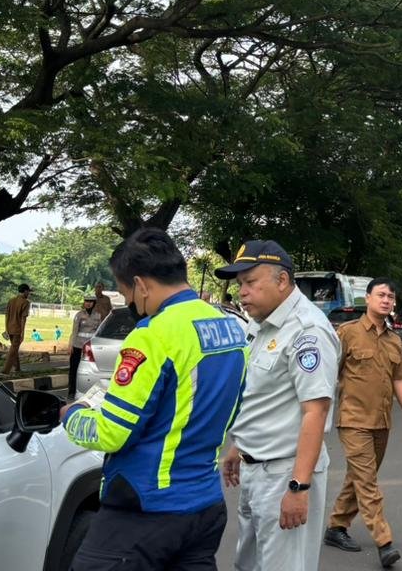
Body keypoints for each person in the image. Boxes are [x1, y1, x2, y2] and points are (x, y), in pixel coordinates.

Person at [61, 227, 247, 571]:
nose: (131, 305)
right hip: (205, 505)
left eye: (126, 293)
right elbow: (234, 410)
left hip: (146, 507)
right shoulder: (231, 328)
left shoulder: (152, 334)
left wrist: (71, 416)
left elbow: (111, 433)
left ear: (141, 284)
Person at [218, 240, 340, 571]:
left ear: (282, 280)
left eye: (250, 282)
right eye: (240, 284)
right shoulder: (261, 324)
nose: (242, 292)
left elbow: (315, 411)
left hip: (284, 473)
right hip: (255, 469)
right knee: (248, 564)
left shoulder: (307, 331)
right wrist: (240, 446)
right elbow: (263, 396)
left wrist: (298, 487)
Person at [323, 278, 402, 568]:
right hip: (353, 420)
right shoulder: (347, 333)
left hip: (381, 421)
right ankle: (384, 542)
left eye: (390, 296)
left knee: (358, 477)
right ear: (367, 298)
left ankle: (336, 527)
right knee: (368, 483)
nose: (386, 300)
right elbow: (327, 375)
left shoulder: (394, 340)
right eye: (381, 295)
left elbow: (400, 380)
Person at [68, 295, 102, 398]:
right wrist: (71, 344)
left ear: (94, 303)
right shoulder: (79, 315)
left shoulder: (98, 316)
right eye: (86, 301)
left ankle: (89, 392)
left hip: (90, 348)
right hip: (77, 345)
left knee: (90, 369)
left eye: (91, 302)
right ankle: (71, 391)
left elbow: (99, 331)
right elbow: (74, 331)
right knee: (74, 369)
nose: (88, 303)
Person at [2, 283, 31, 375]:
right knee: (13, 350)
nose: (29, 294)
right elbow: (23, 319)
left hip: (9, 328)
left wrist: (6, 328)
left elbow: (6, 316)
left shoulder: (11, 301)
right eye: (28, 292)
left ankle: (17, 368)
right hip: (17, 329)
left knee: (15, 349)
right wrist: (22, 333)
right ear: (25, 291)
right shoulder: (26, 302)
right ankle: (5, 371)